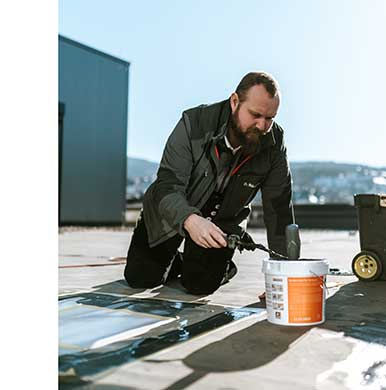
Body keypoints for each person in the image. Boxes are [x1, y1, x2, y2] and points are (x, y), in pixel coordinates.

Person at [124, 71, 295, 295]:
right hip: (170, 213)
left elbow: (279, 210)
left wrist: (283, 276)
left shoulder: (274, 145)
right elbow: (167, 185)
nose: (262, 126)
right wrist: (189, 219)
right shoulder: (193, 123)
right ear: (235, 102)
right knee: (141, 278)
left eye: (270, 118)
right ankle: (175, 261)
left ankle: (219, 267)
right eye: (255, 115)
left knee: (199, 285)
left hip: (221, 223)